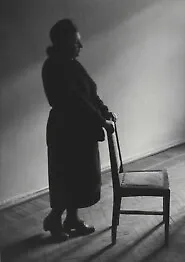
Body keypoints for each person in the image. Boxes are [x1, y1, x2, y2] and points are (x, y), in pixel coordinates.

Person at [42, 18, 116, 241]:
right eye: (76, 42)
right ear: (64, 42)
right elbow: (75, 100)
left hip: (80, 130)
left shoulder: (72, 63)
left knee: (80, 179)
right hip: (65, 132)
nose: (80, 46)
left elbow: (90, 93)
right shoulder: (54, 66)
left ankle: (71, 219)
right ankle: (54, 220)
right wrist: (101, 122)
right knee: (67, 178)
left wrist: (105, 112)